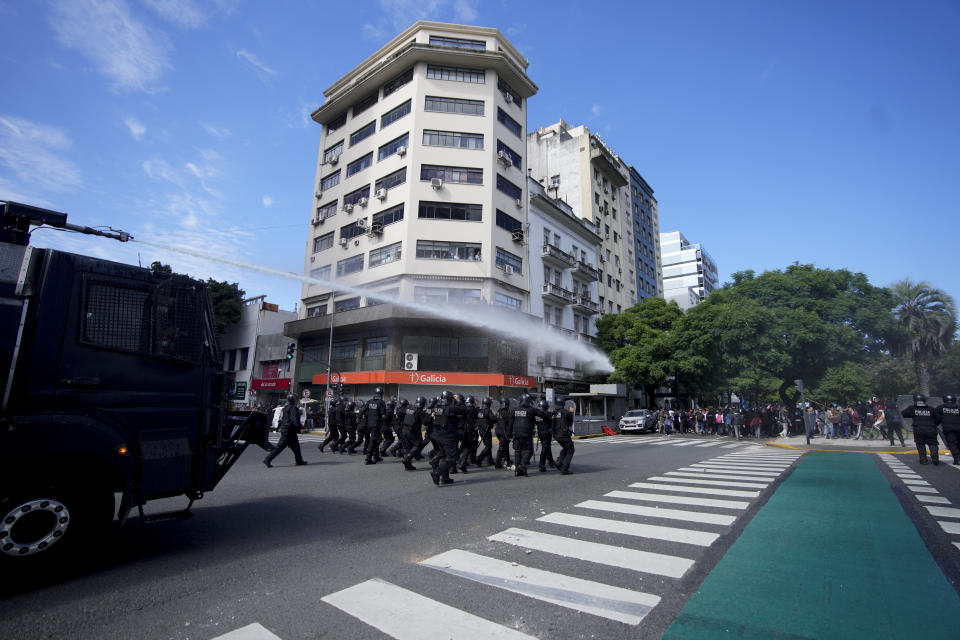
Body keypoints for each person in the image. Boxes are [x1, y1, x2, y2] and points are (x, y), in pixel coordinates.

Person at [430, 390, 469, 486]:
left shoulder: (437, 406)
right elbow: (464, 409)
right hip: (447, 435)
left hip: (438, 434)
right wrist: (459, 400)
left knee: (444, 456)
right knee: (452, 457)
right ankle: (437, 473)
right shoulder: (450, 408)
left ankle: (445, 478)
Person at [263, 393, 307, 467]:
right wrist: (301, 428)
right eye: (296, 399)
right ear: (294, 400)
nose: (297, 401)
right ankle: (267, 459)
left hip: (288, 430)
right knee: (279, 447)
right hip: (288, 431)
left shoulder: (286, 407)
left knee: (296, 447)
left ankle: (299, 461)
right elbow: (294, 420)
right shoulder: (293, 408)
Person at [509, 395, 546, 476]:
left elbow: (510, 423)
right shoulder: (531, 410)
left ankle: (517, 470)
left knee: (517, 451)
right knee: (528, 451)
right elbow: (542, 414)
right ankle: (522, 466)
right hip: (526, 433)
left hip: (516, 433)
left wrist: (509, 434)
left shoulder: (515, 410)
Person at [901, 394, 939, 464]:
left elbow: (903, 413)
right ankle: (934, 455)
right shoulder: (931, 409)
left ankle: (923, 459)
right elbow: (938, 419)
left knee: (920, 444)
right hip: (930, 428)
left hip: (918, 428)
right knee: (933, 444)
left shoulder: (912, 408)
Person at [359, 388, 387, 465]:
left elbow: (362, 410)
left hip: (369, 424)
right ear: (381, 394)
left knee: (376, 440)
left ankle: (376, 456)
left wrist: (358, 417)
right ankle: (368, 458)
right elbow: (383, 415)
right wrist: (386, 422)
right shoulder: (381, 402)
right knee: (373, 441)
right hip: (377, 425)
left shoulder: (369, 402)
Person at [934, 393, 960, 465]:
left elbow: (936, 418)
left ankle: (957, 459)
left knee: (952, 444)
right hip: (958, 428)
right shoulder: (958, 407)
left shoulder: (940, 407)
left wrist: (936, 423)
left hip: (948, 429)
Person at [398, 397, 423, 471]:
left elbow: (400, 412)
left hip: (404, 430)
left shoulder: (409, 408)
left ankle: (408, 465)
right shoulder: (419, 411)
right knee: (418, 445)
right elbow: (425, 422)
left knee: (407, 448)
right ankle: (407, 458)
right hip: (412, 431)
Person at [552, 399, 575, 475]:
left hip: (556, 435)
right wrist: (571, 412)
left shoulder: (554, 413)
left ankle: (559, 462)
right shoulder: (565, 412)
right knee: (571, 450)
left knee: (566, 448)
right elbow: (571, 420)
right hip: (563, 434)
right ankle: (564, 469)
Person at [475, 397, 496, 467]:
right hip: (486, 430)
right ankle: (479, 458)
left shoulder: (479, 410)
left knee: (487, 445)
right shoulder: (488, 410)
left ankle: (490, 460)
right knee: (488, 446)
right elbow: (493, 418)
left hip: (481, 430)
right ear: (488, 404)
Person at [494, 396, 512, 469]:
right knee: (502, 447)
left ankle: (507, 460)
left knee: (505, 446)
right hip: (503, 432)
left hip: (498, 431)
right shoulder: (507, 412)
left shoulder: (499, 411)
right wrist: (510, 434)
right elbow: (510, 423)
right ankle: (498, 463)